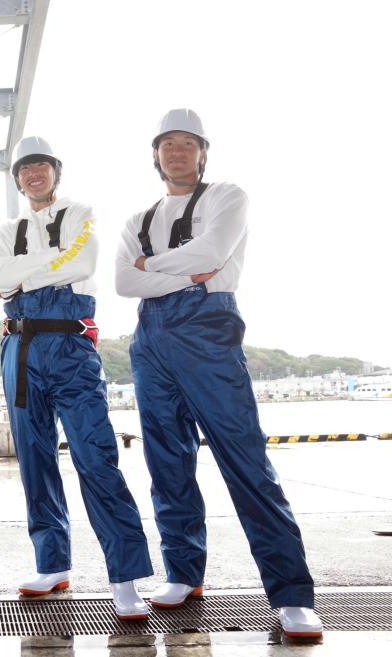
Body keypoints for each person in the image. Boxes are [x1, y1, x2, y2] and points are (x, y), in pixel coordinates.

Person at [114, 109, 322, 638]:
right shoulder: (137, 219)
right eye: (168, 143)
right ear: (155, 153)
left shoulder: (227, 196)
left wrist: (150, 267)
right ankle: (183, 573)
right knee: (167, 460)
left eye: (188, 143)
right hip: (150, 340)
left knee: (244, 459)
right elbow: (122, 284)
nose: (177, 151)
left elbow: (212, 253)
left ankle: (292, 594)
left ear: (203, 152)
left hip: (208, 332)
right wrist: (179, 271)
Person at [0, 136, 152, 620]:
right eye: (25, 168)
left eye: (41, 166)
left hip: (70, 346)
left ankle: (124, 577)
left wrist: (21, 275)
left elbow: (81, 263)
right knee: (34, 461)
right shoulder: (6, 229)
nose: (34, 174)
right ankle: (52, 564)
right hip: (18, 348)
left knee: (96, 458)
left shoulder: (81, 215)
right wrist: (38, 271)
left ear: (56, 172)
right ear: (17, 179)